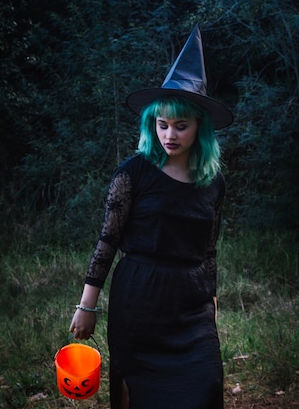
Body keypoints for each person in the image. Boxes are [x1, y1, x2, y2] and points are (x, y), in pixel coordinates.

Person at [69, 24, 233, 409]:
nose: (169, 135)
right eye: (162, 124)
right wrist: (87, 305)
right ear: (151, 123)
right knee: (137, 393)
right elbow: (107, 240)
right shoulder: (133, 173)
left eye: (181, 125)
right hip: (139, 299)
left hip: (191, 306)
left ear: (200, 127)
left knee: (206, 385)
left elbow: (209, 250)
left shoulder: (213, 182)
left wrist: (211, 300)